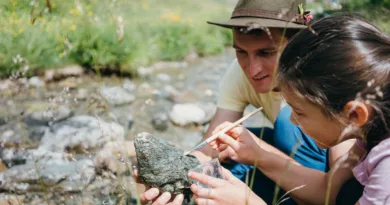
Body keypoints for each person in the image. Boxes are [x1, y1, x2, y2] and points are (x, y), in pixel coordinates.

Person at [134, 0, 354, 204]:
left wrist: (260, 155)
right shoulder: (239, 74)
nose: (252, 69)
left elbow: (342, 190)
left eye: (266, 53)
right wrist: (172, 170)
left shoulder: (330, 78)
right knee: (229, 144)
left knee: (285, 126)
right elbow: (210, 145)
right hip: (294, 164)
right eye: (241, 52)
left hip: (337, 187)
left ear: (298, 44)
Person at [191, 13, 390, 205]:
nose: (294, 120)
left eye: (300, 112)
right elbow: (327, 192)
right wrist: (257, 155)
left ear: (354, 115)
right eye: (241, 51)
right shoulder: (368, 138)